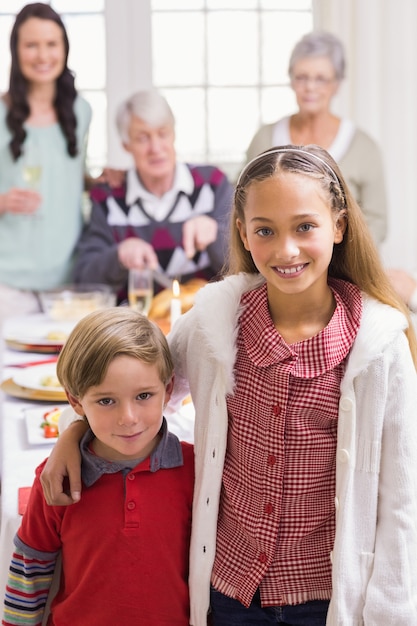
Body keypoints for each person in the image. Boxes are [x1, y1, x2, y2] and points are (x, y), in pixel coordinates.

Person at [40, 145, 417, 626]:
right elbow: (138, 384)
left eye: (305, 226)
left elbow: (402, 500)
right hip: (229, 593)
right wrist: (73, 432)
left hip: (327, 599)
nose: (286, 250)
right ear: (242, 231)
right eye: (265, 230)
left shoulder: (380, 345)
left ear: (338, 226)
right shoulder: (215, 322)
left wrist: (391, 614)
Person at [2, 308, 194, 626]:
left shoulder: (195, 472)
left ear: (169, 390)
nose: (128, 418)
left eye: (144, 395)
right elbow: (29, 572)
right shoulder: (57, 478)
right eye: (106, 401)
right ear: (76, 401)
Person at [72, 89, 233, 302]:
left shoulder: (212, 184)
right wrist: (119, 255)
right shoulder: (108, 198)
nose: (156, 148)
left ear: (174, 134)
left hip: (204, 322)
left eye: (163, 133)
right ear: (126, 145)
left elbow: (247, 269)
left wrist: (216, 234)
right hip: (135, 330)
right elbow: (83, 282)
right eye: (142, 138)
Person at [245, 31, 387, 247]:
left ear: (336, 84)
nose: (310, 87)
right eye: (302, 77)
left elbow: (377, 223)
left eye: (320, 79)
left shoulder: (363, 148)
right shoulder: (265, 139)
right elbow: (242, 203)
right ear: (291, 80)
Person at [0, 3, 92, 324]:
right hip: (8, 285)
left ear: (64, 48)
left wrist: (101, 180)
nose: (42, 56)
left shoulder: (81, 112)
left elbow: (71, 177)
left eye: (51, 44)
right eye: (31, 45)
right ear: (16, 50)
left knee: (63, 375)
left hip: (68, 284)